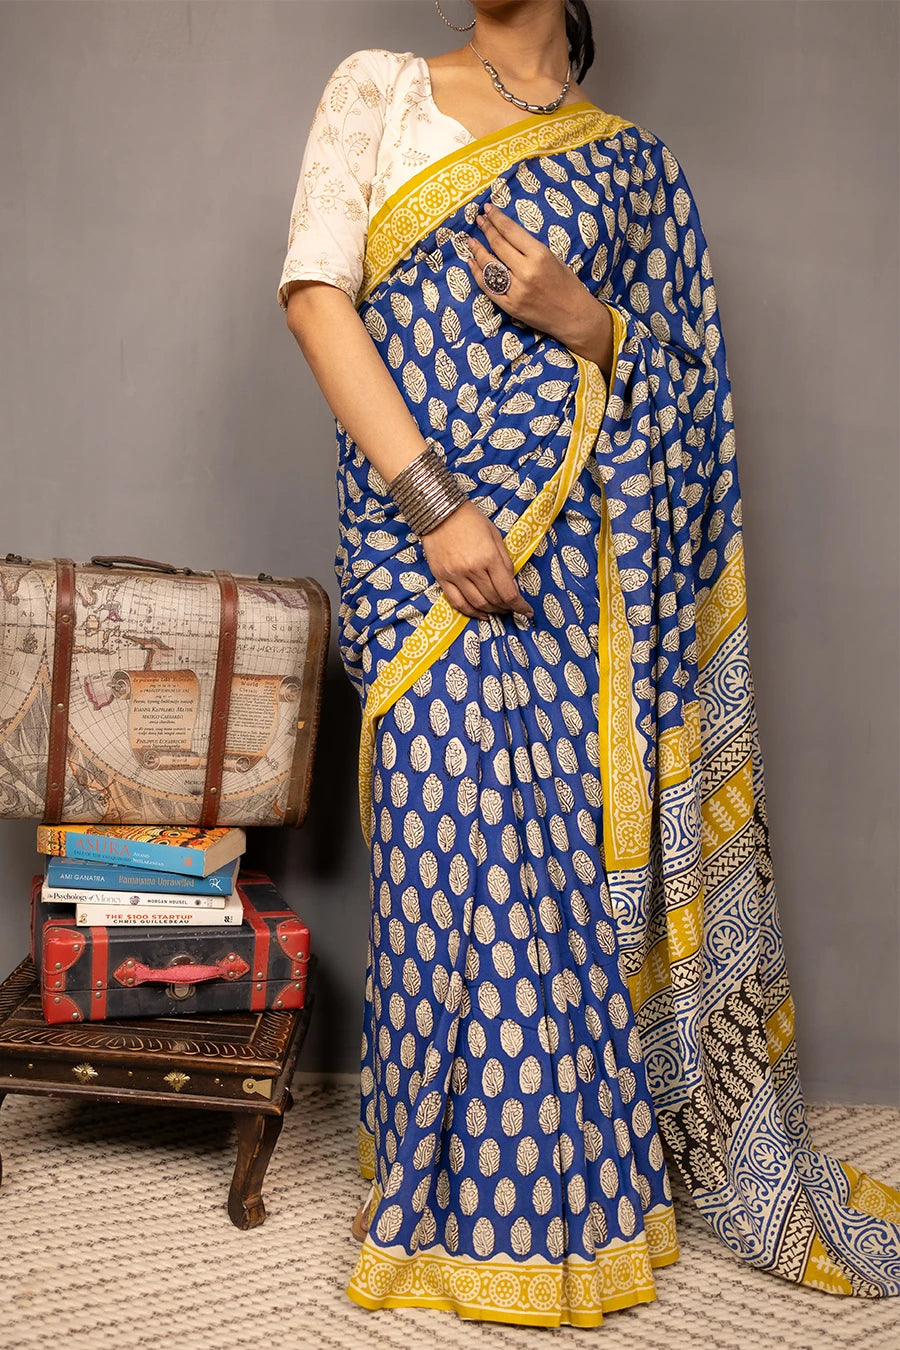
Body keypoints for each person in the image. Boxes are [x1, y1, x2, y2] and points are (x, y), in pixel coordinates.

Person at [276, 0, 900, 1328]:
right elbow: (317, 298)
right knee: (459, 855)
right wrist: (436, 506)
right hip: (429, 550)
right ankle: (455, 1194)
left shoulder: (634, 166)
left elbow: (690, 386)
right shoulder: (381, 90)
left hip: (590, 580)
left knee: (554, 877)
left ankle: (571, 1193)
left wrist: (591, 321)